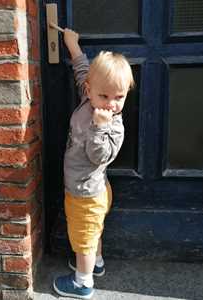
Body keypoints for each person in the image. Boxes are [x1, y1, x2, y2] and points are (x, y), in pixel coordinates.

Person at [53, 28, 134, 299]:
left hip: (86, 193)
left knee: (84, 237)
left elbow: (100, 156)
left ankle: (82, 283)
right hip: (90, 188)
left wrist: (100, 129)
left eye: (119, 97)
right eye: (105, 96)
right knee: (92, 230)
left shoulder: (114, 127)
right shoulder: (88, 96)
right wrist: (72, 46)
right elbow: (82, 70)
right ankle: (96, 264)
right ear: (90, 90)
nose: (111, 104)